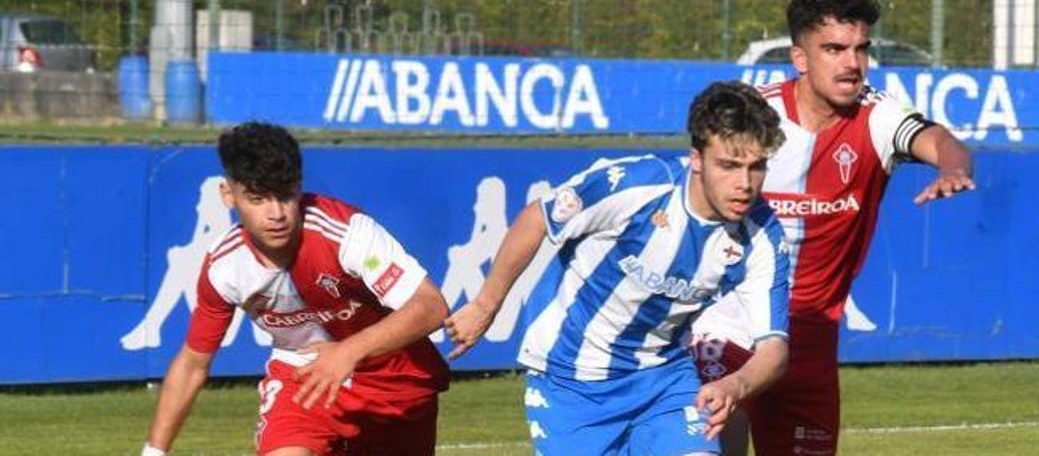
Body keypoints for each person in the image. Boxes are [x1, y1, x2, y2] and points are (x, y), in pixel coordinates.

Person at [691, 0, 976, 456]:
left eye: (861, 49)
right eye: (834, 49)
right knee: (718, 433)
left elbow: (940, 140)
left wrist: (954, 167)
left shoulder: (878, 117)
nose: (852, 63)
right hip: (727, 321)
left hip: (811, 337)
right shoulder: (753, 118)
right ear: (800, 58)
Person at [445, 81, 792, 455]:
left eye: (757, 167)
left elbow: (773, 348)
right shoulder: (634, 186)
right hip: (569, 382)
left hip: (664, 378)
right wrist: (485, 305)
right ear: (696, 159)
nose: (744, 184)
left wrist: (733, 386)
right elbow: (537, 219)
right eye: (728, 165)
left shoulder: (762, 236)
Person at [141, 122, 450, 456]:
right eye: (257, 199)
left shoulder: (346, 233)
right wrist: (154, 452)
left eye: (285, 196)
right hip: (301, 381)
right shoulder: (225, 267)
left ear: (299, 186)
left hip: (397, 384)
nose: (276, 215)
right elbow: (192, 364)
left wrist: (349, 352)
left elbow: (430, 306)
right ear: (228, 195)